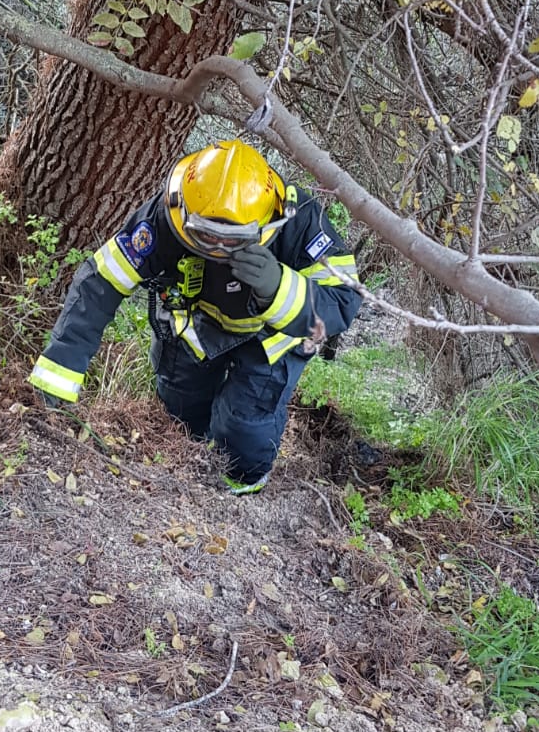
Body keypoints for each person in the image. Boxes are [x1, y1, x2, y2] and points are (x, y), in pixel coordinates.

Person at [29, 140, 362, 494]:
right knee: (179, 414)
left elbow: (342, 301)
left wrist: (278, 285)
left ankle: (237, 494)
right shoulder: (163, 218)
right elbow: (101, 283)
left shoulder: (299, 221)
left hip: (270, 336)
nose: (217, 248)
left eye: (232, 240)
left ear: (266, 223)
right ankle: (192, 471)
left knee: (243, 431)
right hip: (195, 323)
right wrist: (58, 375)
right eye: (204, 235)